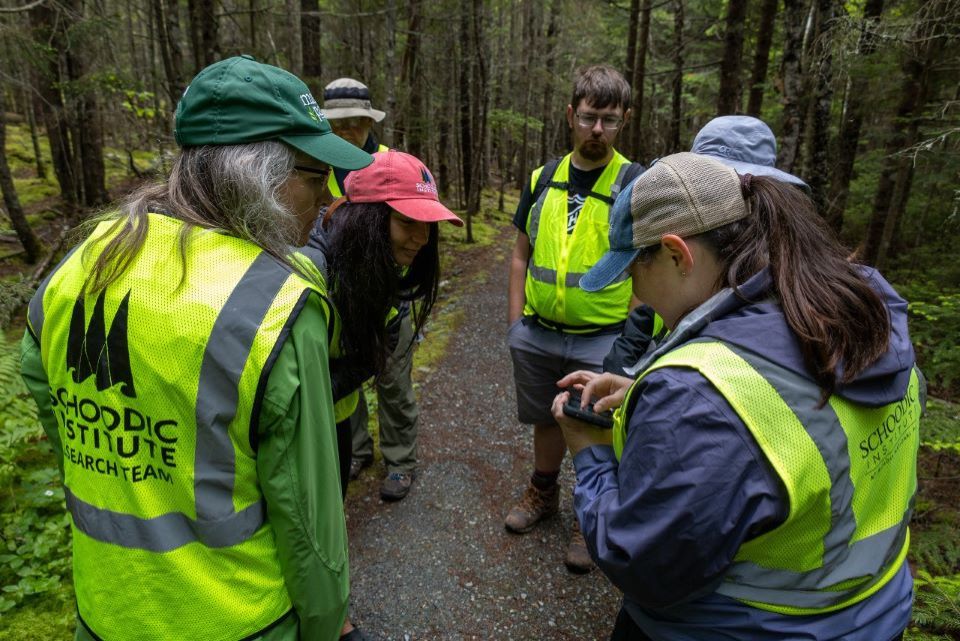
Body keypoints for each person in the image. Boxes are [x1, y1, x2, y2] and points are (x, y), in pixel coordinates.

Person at [19, 55, 372, 641]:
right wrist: (328, 622)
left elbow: (41, 378)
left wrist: (121, 465)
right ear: (262, 175)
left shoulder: (88, 257)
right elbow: (310, 523)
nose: (327, 198)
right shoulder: (275, 305)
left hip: (105, 611)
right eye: (315, 177)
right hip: (243, 621)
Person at [553, 152, 921, 640]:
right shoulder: (858, 312)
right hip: (876, 610)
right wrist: (645, 395)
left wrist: (591, 454)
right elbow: (794, 423)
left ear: (676, 254)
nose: (634, 296)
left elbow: (641, 564)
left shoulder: (700, 396)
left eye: (632, 275)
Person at [504, 64, 644, 573]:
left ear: (624, 119)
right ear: (571, 115)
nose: (598, 130)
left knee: (598, 427)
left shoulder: (633, 182)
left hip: (604, 339)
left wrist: (631, 345)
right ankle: (543, 494)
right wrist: (516, 322)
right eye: (589, 118)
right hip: (538, 332)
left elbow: (645, 267)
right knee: (546, 417)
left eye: (609, 119)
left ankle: (593, 518)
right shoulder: (543, 179)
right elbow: (520, 252)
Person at [603, 115, 809, 377]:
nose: (717, 193)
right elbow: (648, 312)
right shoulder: (686, 234)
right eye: (705, 179)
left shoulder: (783, 273)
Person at [308, 150, 462, 498]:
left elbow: (373, 354)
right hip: (304, 427)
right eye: (408, 222)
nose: (422, 239)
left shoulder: (383, 263)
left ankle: (397, 463)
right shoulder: (309, 269)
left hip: (333, 416)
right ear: (368, 219)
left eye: (428, 224)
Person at [320, 78, 422, 501]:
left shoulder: (393, 162)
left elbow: (417, 222)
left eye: (356, 121)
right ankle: (358, 448)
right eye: (338, 122)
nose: (347, 131)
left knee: (392, 380)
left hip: (388, 294)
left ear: (369, 120)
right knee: (347, 381)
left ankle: (400, 460)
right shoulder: (315, 161)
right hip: (336, 296)